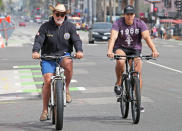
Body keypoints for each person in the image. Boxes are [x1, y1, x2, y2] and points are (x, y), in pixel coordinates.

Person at [32, 4, 83, 121]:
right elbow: (38, 40)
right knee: (48, 81)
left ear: (65, 15)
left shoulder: (70, 27)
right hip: (47, 57)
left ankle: (67, 89)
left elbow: (76, 40)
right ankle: (45, 110)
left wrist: (79, 51)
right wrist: (35, 51)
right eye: (57, 14)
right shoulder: (45, 27)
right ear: (53, 14)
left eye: (62, 14)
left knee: (69, 63)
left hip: (63, 55)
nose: (60, 16)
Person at [107, 5, 159, 112]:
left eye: (131, 14)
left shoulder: (140, 23)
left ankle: (137, 102)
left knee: (137, 72)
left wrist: (154, 51)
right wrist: (110, 51)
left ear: (134, 15)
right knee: (121, 62)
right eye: (127, 14)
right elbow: (113, 37)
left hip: (135, 49)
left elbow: (146, 37)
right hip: (121, 48)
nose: (129, 16)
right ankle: (118, 82)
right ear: (124, 15)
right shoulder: (118, 23)